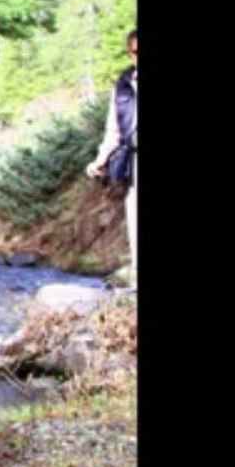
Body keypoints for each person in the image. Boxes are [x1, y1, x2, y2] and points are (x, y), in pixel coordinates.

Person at [85, 28, 137, 287]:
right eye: (136, 51)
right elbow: (114, 130)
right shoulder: (123, 85)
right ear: (130, 53)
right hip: (133, 161)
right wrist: (100, 160)